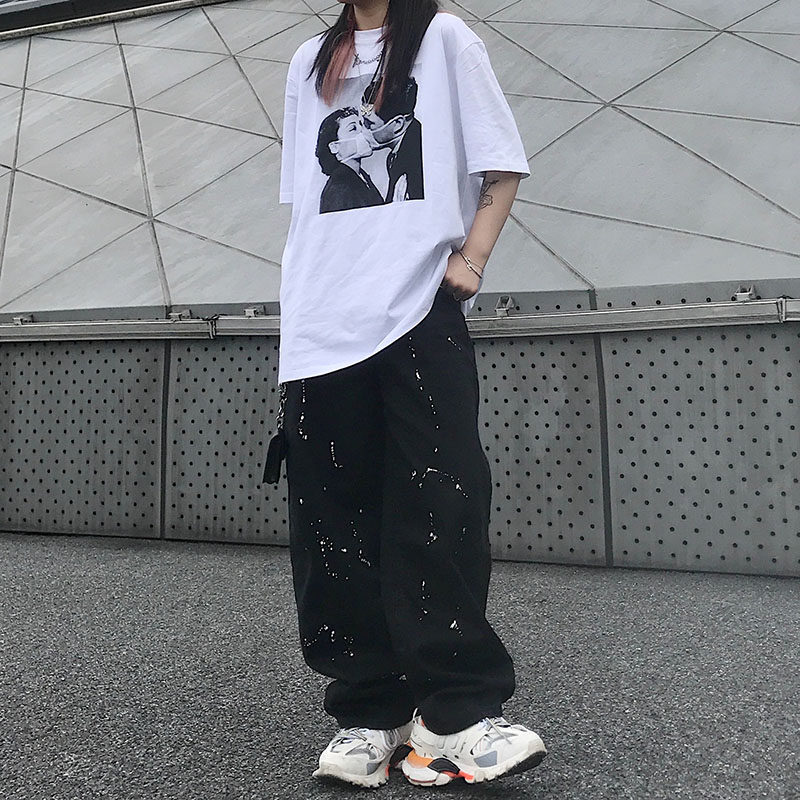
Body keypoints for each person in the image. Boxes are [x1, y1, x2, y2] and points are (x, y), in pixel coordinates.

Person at [275, 0, 547, 788]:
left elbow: (501, 164)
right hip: (323, 321)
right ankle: (369, 712)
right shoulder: (309, 61)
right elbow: (306, 208)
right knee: (332, 521)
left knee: (442, 502)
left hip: (419, 307)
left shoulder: (444, 38)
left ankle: (455, 714)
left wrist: (473, 258)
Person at [360, 76, 423, 202]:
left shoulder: (417, 158)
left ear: (398, 124)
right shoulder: (395, 156)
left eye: (370, 123)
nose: (363, 129)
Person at [316, 106, 385, 212]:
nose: (362, 131)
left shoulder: (361, 176)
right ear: (334, 147)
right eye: (353, 128)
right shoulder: (339, 188)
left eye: (361, 125)